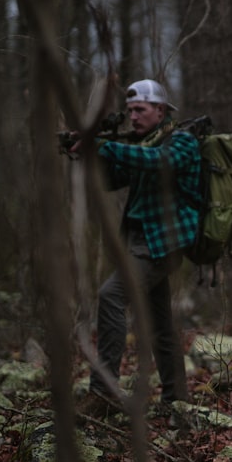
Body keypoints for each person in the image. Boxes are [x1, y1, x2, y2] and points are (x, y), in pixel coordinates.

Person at [70, 79, 201, 416]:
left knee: (111, 296)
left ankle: (103, 392)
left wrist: (103, 146)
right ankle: (177, 399)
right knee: (160, 322)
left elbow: (158, 161)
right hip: (141, 243)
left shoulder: (182, 142)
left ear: (161, 110)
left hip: (163, 244)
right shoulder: (145, 144)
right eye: (130, 111)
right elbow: (112, 180)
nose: (133, 116)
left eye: (140, 109)